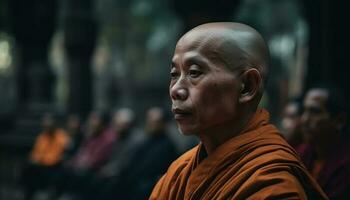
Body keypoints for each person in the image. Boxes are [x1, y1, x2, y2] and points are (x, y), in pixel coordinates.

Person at [149, 22, 327, 199]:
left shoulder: (272, 183)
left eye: (194, 73)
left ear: (247, 87)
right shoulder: (179, 172)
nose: (175, 90)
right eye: (174, 75)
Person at [299, 86, 350, 200]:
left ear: (339, 121)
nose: (304, 119)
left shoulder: (346, 165)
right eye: (304, 111)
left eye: (315, 112)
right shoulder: (302, 153)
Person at [21, 113, 70, 200]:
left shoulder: (62, 137)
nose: (47, 127)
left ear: (54, 124)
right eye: (45, 125)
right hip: (41, 165)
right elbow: (35, 153)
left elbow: (56, 156)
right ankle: (28, 194)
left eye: (49, 124)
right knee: (28, 168)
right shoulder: (42, 136)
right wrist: (36, 158)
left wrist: (41, 159)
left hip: (53, 167)